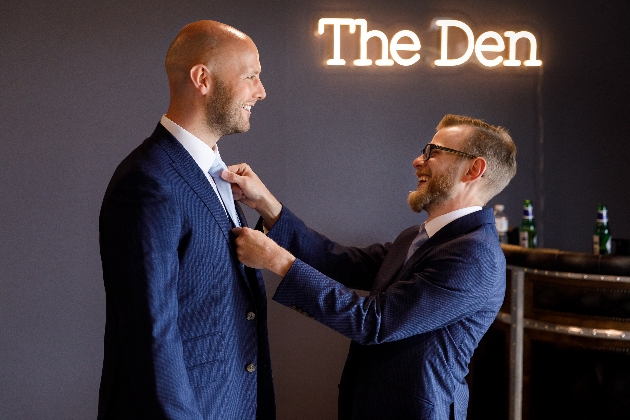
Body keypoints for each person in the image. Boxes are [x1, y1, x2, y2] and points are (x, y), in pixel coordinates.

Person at [223, 114, 517, 419]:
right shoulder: (417, 238)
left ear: (474, 169)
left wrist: (275, 259)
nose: (418, 161)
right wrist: (265, 204)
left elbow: (375, 322)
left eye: (434, 152)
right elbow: (337, 260)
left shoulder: (474, 256)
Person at [98, 20, 275, 419]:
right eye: (251, 77)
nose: (261, 92)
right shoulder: (146, 183)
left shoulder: (216, 174)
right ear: (202, 79)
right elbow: (151, 337)